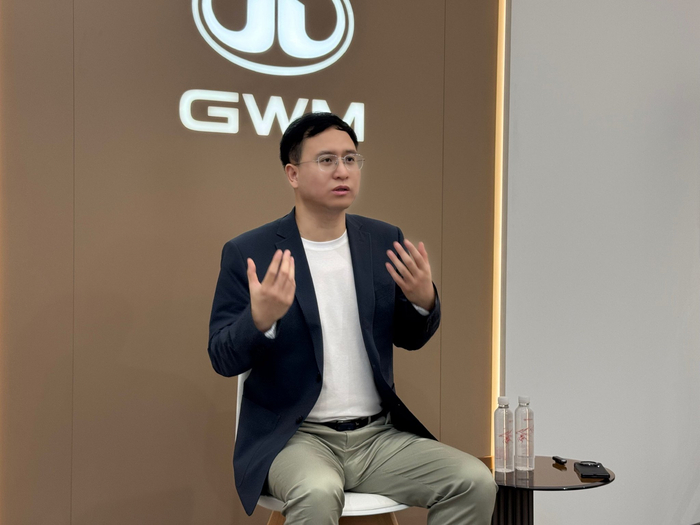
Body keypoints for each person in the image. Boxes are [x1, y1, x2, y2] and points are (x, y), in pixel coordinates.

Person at [207, 112, 497, 524]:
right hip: (295, 439)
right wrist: (260, 320)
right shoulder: (249, 251)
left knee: (474, 481)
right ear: (292, 173)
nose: (342, 171)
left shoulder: (382, 240)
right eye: (326, 160)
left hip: (378, 438)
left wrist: (422, 301)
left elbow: (410, 337)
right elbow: (222, 356)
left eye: (350, 159)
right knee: (317, 491)